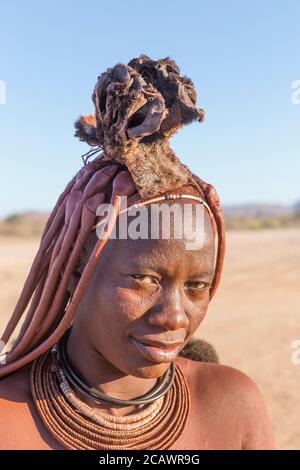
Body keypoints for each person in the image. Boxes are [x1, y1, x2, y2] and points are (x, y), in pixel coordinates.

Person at [0, 55, 275, 450]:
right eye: (145, 279)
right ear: (78, 270)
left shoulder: (231, 405)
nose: (175, 316)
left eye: (197, 286)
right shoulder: (9, 421)